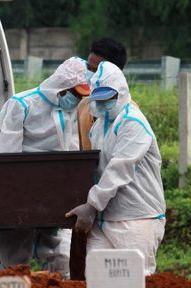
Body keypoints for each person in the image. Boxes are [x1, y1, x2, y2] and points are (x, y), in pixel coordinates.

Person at [66, 61, 166, 276]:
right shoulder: (100, 126)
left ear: (121, 94)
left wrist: (91, 205)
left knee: (137, 281)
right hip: (104, 218)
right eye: (99, 100)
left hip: (136, 219)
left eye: (108, 99)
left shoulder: (133, 123)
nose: (103, 105)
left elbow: (118, 170)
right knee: (97, 281)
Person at [0, 57, 89, 278]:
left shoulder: (71, 112)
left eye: (81, 95)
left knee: (60, 257)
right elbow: (8, 156)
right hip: (22, 192)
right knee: (15, 261)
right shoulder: (22, 105)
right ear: (61, 87)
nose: (77, 99)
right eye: (75, 93)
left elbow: (73, 150)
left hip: (56, 192)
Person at [78, 38, 128, 150]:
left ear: (113, 73)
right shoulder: (83, 106)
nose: (90, 76)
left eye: (95, 70)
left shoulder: (127, 113)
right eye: (88, 69)